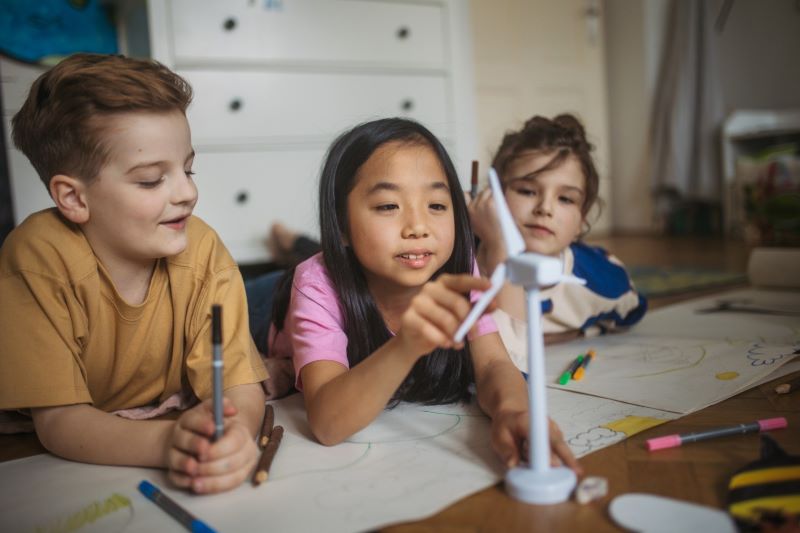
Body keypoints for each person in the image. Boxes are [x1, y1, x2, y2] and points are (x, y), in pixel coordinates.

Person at [0, 53, 268, 494]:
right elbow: (59, 422)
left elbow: (239, 386)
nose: (188, 192)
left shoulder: (202, 247)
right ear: (74, 198)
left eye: (188, 169)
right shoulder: (37, 259)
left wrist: (236, 435)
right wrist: (167, 442)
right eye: (150, 180)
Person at [266, 117, 581, 472]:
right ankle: (287, 242)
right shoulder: (316, 284)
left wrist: (513, 411)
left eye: (436, 205)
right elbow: (327, 424)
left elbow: (493, 363)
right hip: (274, 302)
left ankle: (291, 241)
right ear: (340, 225)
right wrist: (407, 344)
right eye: (389, 206)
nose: (418, 227)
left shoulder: (459, 266)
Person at [468, 114, 647, 371]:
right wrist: (500, 246)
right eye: (527, 191)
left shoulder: (600, 279)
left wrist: (580, 332)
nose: (545, 208)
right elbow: (507, 368)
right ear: (491, 196)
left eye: (565, 199)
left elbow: (632, 311)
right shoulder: (461, 265)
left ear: (581, 222)